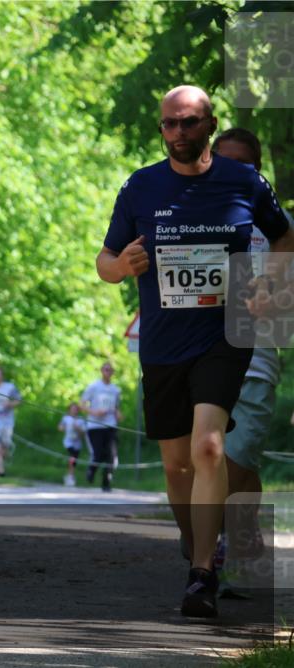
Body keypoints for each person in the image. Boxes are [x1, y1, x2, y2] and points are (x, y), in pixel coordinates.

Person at [96, 86, 292, 617]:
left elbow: (284, 238)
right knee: (177, 465)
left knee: (209, 448)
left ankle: (202, 572)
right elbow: (105, 259)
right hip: (163, 341)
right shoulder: (141, 186)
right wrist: (121, 268)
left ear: (209, 124)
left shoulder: (244, 181)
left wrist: (271, 289)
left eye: (187, 123)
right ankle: (195, 544)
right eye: (168, 125)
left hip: (226, 335)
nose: (177, 134)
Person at [212, 128, 294, 596]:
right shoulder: (196, 210)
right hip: (199, 345)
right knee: (209, 450)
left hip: (258, 346)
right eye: (224, 161)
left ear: (258, 169)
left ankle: (235, 533)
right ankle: (222, 545)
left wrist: (276, 299)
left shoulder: (278, 225)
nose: (233, 170)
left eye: (243, 163)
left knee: (241, 454)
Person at [81, 362, 123, 492]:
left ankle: (106, 482)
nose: (108, 372)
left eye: (110, 370)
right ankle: (91, 471)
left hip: (110, 425)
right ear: (101, 371)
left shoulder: (116, 390)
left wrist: (118, 413)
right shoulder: (93, 387)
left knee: (111, 455)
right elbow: (82, 404)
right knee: (98, 454)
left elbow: (116, 407)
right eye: (106, 369)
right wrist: (94, 412)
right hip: (95, 425)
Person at [58, 403, 87, 487]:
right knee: (72, 457)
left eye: (76, 409)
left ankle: (69, 475)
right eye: (72, 408)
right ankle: (71, 476)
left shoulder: (81, 420)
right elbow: (60, 427)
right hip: (68, 442)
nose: (74, 410)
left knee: (74, 459)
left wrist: (78, 428)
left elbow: (84, 432)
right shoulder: (66, 418)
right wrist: (65, 427)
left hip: (77, 443)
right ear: (69, 409)